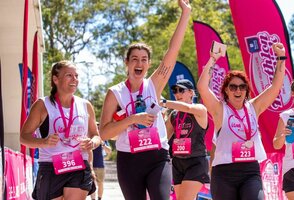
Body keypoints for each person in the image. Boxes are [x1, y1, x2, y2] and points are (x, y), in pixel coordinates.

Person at [99, 0, 191, 199]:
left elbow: (172, 51)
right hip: (129, 160)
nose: (139, 63)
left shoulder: (153, 84)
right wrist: (132, 119)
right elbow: (104, 132)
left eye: (143, 59)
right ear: (127, 63)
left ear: (149, 64)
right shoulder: (115, 92)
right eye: (134, 59)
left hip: (157, 157)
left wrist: (186, 13)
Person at [197, 43, 287, 199]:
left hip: (250, 171)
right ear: (226, 90)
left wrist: (281, 58)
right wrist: (213, 59)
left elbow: (276, 87)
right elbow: (202, 87)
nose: (238, 90)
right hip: (224, 173)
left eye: (242, 87)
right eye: (233, 87)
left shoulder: (254, 107)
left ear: (246, 90)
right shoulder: (219, 109)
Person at [20, 60, 101, 200]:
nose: (74, 79)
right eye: (69, 75)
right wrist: (44, 142)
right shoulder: (42, 105)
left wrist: (92, 143)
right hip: (51, 166)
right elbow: (24, 137)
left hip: (78, 164)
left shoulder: (85, 105)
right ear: (55, 79)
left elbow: (96, 136)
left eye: (76, 75)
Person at [162, 79, 209, 200]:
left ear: (191, 93)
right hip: (178, 163)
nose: (177, 94)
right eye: (175, 91)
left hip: (196, 162)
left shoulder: (200, 109)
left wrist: (164, 103)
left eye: (181, 90)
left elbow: (187, 109)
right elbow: (163, 136)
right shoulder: (174, 115)